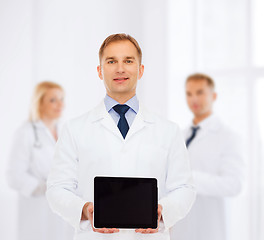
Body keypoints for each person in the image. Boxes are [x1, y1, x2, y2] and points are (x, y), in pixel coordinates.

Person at [46, 33, 196, 240]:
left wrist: (162, 211)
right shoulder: (75, 129)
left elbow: (185, 188)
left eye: (128, 61)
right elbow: (56, 189)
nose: (120, 68)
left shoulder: (168, 130)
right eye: (111, 61)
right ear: (99, 71)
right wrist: (84, 209)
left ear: (140, 70)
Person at [170, 73, 245, 240]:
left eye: (200, 92)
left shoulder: (228, 137)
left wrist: (190, 179)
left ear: (214, 95)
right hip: (181, 228)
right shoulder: (180, 135)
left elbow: (234, 184)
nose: (194, 99)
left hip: (210, 228)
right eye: (189, 94)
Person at [7, 81, 74, 240]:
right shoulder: (26, 132)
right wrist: (42, 187)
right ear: (39, 103)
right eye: (53, 100)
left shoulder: (65, 132)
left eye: (62, 99)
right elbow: (14, 176)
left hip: (62, 208)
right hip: (37, 208)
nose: (60, 104)